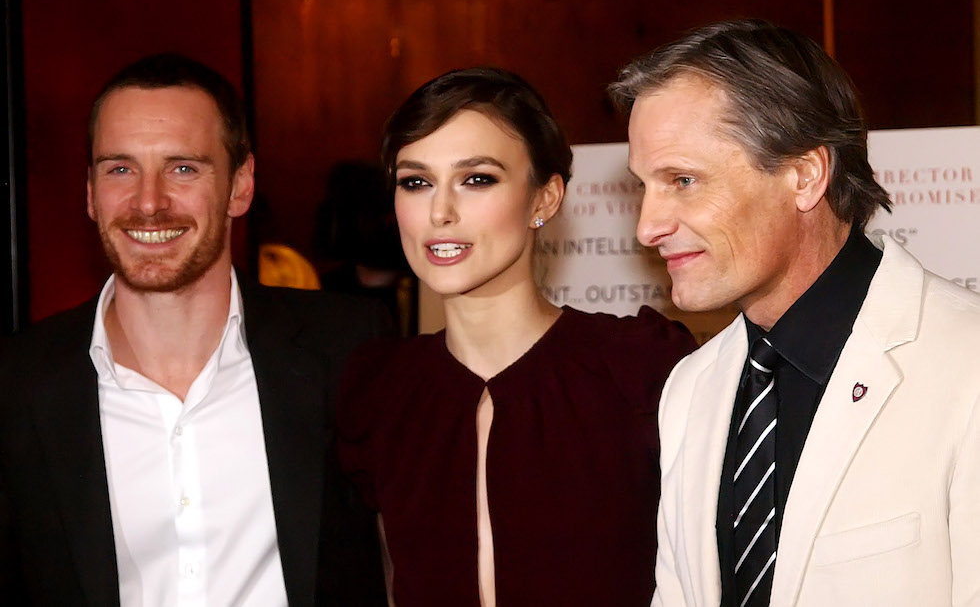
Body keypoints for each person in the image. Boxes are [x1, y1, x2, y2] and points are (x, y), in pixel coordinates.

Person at [610, 19, 980, 607]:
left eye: (683, 180)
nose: (647, 226)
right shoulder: (690, 387)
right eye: (643, 187)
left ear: (805, 175)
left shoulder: (967, 364)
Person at [0, 54, 389, 606]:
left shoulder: (348, 350)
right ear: (89, 191)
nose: (148, 202)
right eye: (120, 169)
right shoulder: (17, 385)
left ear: (240, 186)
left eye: (182, 168)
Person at [337, 67, 696, 606]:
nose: (440, 212)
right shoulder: (379, 392)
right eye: (416, 182)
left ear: (544, 199)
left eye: (477, 179)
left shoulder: (639, 369)